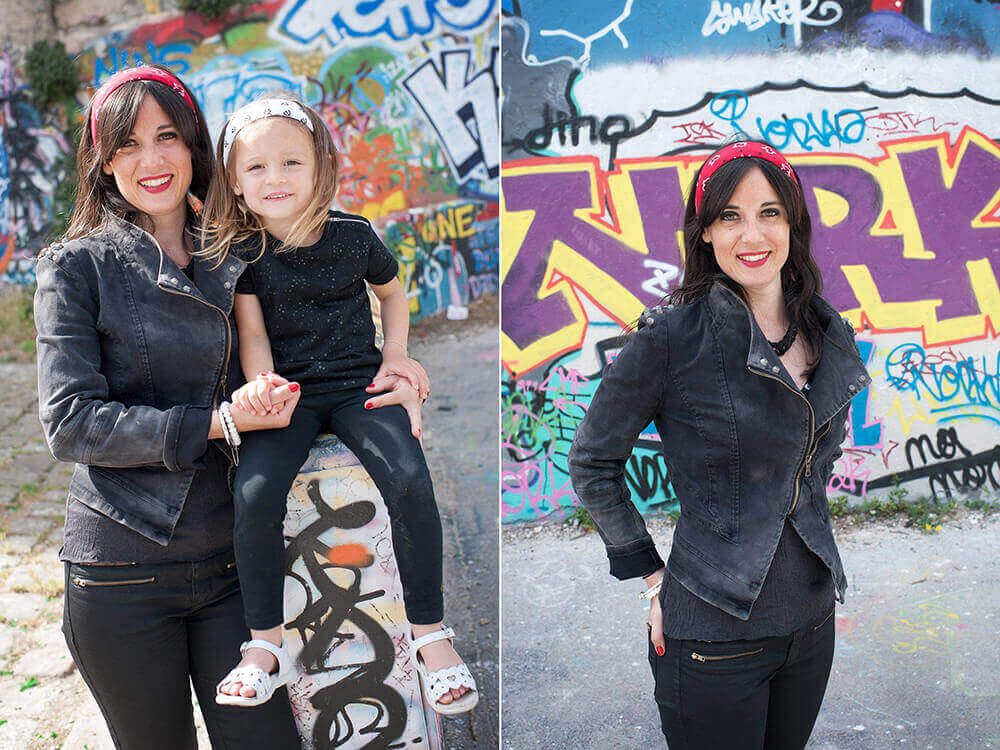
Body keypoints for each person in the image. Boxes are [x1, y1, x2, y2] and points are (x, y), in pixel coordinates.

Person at [32, 65, 311, 748]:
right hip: (122, 569)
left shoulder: (239, 251)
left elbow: (310, 348)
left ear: (194, 146)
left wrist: (390, 365)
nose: (151, 161)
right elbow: (70, 422)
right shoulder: (75, 268)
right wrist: (219, 423)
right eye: (127, 145)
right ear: (103, 164)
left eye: (166, 138)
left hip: (232, 564)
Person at [567, 140, 871, 749]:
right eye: (729, 216)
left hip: (811, 621)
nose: (750, 233)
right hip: (712, 633)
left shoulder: (828, 330)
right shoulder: (672, 337)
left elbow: (812, 467)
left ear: (793, 223)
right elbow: (593, 462)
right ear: (705, 232)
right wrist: (652, 578)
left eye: (769, 212)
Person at [198, 95, 478, 714]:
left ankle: (431, 636)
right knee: (253, 492)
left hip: (358, 386)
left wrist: (396, 355)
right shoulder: (242, 253)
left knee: (407, 474)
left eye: (291, 162)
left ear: (322, 166)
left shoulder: (354, 235)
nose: (275, 179)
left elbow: (394, 292)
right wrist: (262, 386)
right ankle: (264, 647)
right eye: (256, 169)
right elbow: (252, 334)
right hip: (289, 398)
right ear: (236, 184)